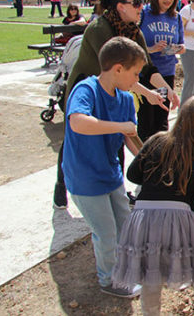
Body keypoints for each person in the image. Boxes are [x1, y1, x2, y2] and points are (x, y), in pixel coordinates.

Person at [53, 0, 177, 210]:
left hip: (114, 91)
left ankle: (115, 189)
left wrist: (165, 89)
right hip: (88, 87)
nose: (142, 7)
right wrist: (148, 93)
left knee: (116, 137)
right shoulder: (99, 28)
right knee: (74, 139)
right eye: (137, 3)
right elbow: (116, 70)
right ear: (120, 7)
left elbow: (146, 68)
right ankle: (62, 184)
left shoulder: (134, 31)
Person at [112, 96, 194, 315]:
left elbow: (133, 174)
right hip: (180, 214)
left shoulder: (157, 140)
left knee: (149, 273)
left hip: (143, 215)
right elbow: (191, 201)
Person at [62, 37, 146, 297]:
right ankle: (109, 280)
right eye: (135, 74)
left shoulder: (124, 99)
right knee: (106, 232)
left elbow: (131, 139)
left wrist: (149, 162)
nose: (136, 81)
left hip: (111, 176)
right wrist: (120, 127)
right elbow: (78, 122)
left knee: (124, 225)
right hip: (85, 178)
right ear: (118, 69)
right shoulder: (86, 90)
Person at [138, 0, 185, 141]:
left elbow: (182, 46)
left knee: (161, 120)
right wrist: (151, 49)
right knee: (146, 121)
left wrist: (170, 49)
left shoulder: (176, 17)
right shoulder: (144, 13)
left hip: (167, 72)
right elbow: (134, 43)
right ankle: (144, 159)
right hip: (147, 74)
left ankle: (160, 157)